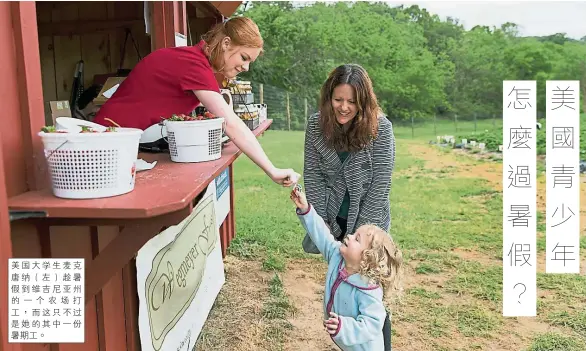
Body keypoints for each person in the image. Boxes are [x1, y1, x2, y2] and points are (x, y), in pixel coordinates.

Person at [93, 17, 298, 187]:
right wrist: (272, 170)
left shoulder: (195, 61)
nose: (246, 67)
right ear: (226, 44)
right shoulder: (194, 65)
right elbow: (230, 123)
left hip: (118, 143)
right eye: (244, 57)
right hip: (103, 144)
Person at [301, 63, 396, 349]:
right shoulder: (316, 126)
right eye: (338, 99)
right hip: (333, 218)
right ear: (328, 97)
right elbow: (313, 175)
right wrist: (326, 227)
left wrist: (360, 240)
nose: (344, 107)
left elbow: (380, 185)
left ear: (363, 102)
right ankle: (347, 340)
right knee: (342, 286)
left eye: (352, 101)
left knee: (371, 292)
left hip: (368, 223)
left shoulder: (381, 129)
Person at [290, 185, 402, 351]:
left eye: (357, 239)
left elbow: (372, 325)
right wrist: (306, 209)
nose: (349, 236)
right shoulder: (337, 256)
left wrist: (344, 327)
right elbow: (321, 235)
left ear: (366, 258)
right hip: (349, 345)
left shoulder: (368, 290)